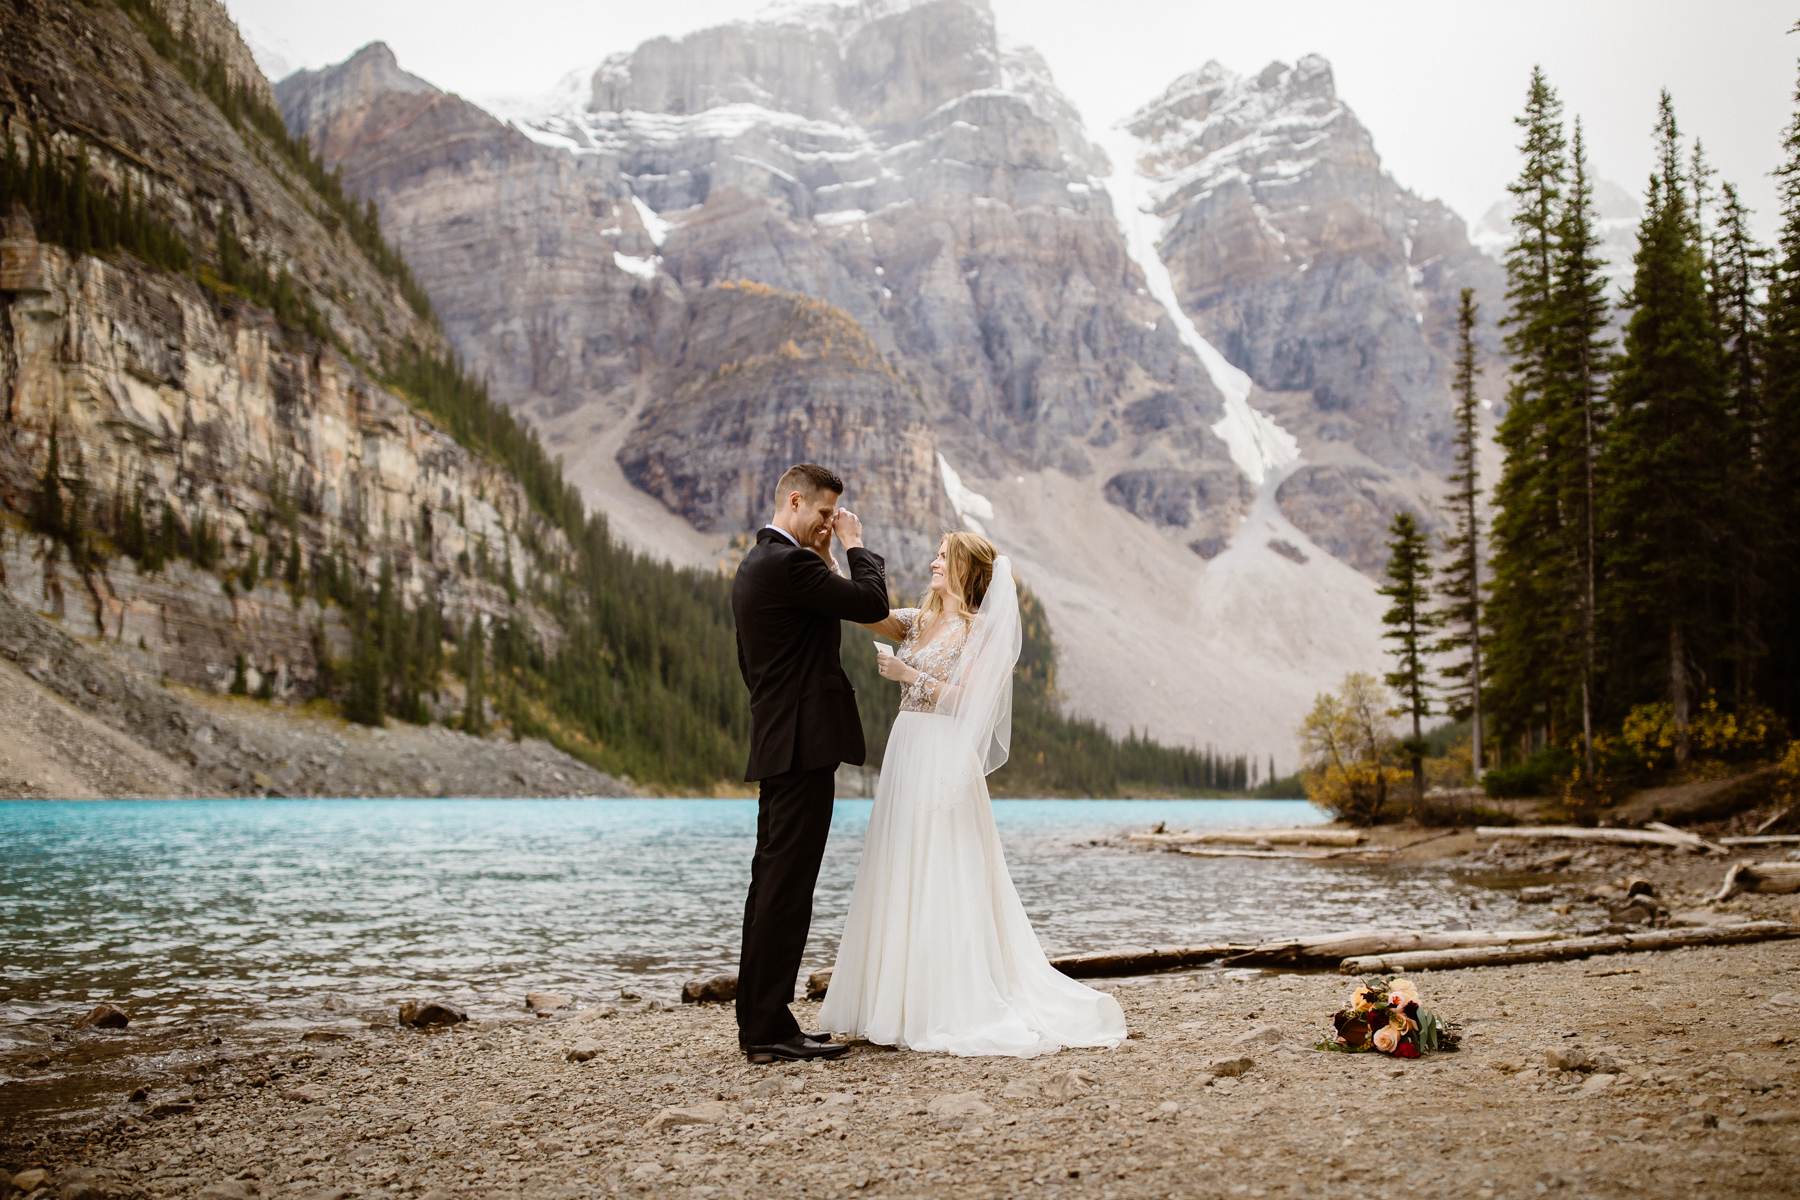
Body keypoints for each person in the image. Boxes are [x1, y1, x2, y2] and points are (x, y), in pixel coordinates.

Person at [818, 531, 1128, 1056]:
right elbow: (863, 609)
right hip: (907, 749)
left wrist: (908, 674)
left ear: (966, 568)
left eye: (944, 556)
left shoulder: (978, 631)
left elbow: (972, 702)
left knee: (945, 865)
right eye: (937, 555)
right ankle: (891, 999)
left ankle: (942, 998)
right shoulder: (918, 619)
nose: (934, 562)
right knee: (901, 861)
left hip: (944, 753)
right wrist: (837, 552)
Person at [730, 463, 888, 1064]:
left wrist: (825, 552)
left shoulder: (760, 564)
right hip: (799, 747)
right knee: (786, 890)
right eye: (823, 513)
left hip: (781, 742)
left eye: (834, 516)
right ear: (794, 501)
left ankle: (763, 1020)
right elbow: (869, 600)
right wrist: (854, 543)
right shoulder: (788, 564)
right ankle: (768, 1030)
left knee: (773, 885)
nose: (828, 523)